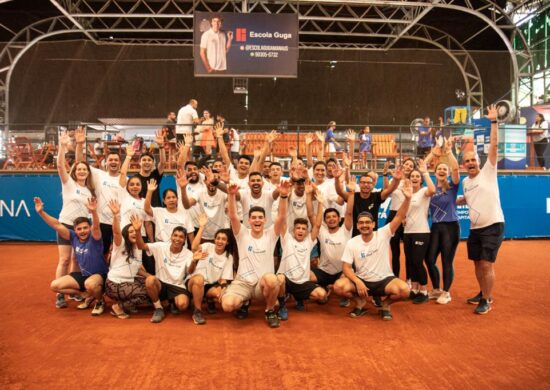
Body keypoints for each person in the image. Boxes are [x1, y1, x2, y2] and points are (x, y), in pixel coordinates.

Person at [333, 180, 413, 321]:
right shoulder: (352, 242)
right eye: (362, 223)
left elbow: (399, 216)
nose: (365, 225)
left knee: (404, 290)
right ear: (357, 226)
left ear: (373, 224)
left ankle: (385, 305)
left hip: (384, 280)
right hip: (362, 280)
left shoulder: (383, 233)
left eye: (367, 222)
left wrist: (407, 198)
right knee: (339, 287)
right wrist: (357, 281)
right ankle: (360, 302)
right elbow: (346, 267)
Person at [220, 181, 289, 328]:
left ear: (265, 220)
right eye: (254, 217)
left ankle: (269, 311)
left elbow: (282, 217)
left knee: (272, 279)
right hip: (243, 283)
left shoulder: (271, 234)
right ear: (248, 220)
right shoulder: (242, 234)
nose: (257, 220)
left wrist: (283, 196)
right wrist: (231, 195)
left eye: (260, 217)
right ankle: (244, 302)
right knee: (227, 305)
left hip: (261, 285)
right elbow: (232, 216)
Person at [459, 104, 505, 315]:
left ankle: (487, 299)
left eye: (473, 160)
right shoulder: (466, 183)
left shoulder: (489, 170)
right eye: (467, 161)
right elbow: (466, 199)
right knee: (477, 263)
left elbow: (494, 145)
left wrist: (494, 122)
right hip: (475, 229)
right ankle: (482, 292)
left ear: (479, 161)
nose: (470, 163)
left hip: (493, 225)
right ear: (463, 165)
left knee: (486, 264)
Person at [34, 197, 108, 316]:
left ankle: (100, 301)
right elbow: (57, 225)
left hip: (99, 276)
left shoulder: (95, 238)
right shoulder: (73, 237)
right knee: (55, 286)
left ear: (89, 228)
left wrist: (93, 212)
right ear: (75, 230)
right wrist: (41, 212)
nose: (82, 231)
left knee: (90, 284)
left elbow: (96, 226)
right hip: (83, 275)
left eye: (85, 228)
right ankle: (84, 295)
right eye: (79, 229)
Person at [133, 218, 208, 324]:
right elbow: (141, 246)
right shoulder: (160, 246)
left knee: (183, 305)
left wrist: (194, 261)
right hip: (162, 284)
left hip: (178, 285)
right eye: (175, 235)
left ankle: (197, 311)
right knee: (150, 280)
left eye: (181, 237)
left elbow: (191, 271)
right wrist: (137, 231)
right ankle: (159, 308)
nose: (177, 239)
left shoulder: (188, 253)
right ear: (171, 236)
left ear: (184, 240)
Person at [53, 130, 96, 309]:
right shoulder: (68, 184)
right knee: (64, 260)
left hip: (81, 229)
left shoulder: (90, 191)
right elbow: (60, 166)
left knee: (76, 260)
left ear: (88, 172)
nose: (81, 171)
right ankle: (60, 294)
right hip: (65, 225)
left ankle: (73, 289)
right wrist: (62, 147)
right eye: (79, 169)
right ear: (75, 171)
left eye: (84, 169)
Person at [276, 185, 325, 320]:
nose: (301, 230)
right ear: (293, 230)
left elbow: (317, 225)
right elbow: (282, 217)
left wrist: (320, 203)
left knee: (321, 295)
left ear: (306, 232)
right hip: (286, 280)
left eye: (304, 228)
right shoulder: (287, 239)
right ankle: (282, 305)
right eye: (298, 228)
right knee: (279, 279)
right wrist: (285, 197)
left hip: (302, 282)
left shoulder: (309, 241)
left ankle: (299, 298)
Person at [424, 139, 460, 304]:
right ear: (435, 171)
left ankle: (446, 292)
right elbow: (422, 167)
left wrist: (449, 152)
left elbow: (456, 168)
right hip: (436, 228)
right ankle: (436, 289)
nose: (442, 170)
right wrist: (434, 152)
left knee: (447, 260)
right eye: (439, 168)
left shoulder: (452, 186)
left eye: (445, 169)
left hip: (451, 227)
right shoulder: (431, 188)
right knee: (430, 259)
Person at [103, 199, 150, 319]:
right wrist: (115, 215)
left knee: (153, 287)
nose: (134, 233)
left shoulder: (139, 248)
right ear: (126, 234)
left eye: (135, 231)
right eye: (130, 231)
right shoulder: (120, 244)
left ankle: (128, 303)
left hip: (128, 281)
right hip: (114, 283)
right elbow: (116, 232)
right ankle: (119, 307)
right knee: (144, 294)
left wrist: (150, 277)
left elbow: (137, 269)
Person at [186, 213, 234, 319]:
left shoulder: (228, 257)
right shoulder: (207, 246)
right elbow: (194, 247)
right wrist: (202, 226)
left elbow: (223, 279)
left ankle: (209, 299)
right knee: (199, 279)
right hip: (194, 280)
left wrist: (223, 290)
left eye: (223, 239)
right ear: (214, 239)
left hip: (210, 285)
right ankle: (197, 311)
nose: (220, 241)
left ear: (227, 242)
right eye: (218, 238)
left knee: (221, 296)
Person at [403, 160, 436, 304]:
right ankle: (415, 289)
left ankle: (424, 291)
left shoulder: (424, 192)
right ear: (409, 179)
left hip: (421, 232)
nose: (414, 178)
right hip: (407, 232)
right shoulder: (407, 193)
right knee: (410, 262)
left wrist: (425, 173)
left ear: (420, 180)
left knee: (417, 261)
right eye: (412, 176)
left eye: (417, 177)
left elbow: (433, 190)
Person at [387, 158, 415, 281]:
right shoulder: (394, 179)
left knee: (409, 252)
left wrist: (406, 216)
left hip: (407, 217)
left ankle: (409, 279)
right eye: (406, 164)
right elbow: (386, 192)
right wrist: (393, 178)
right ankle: (395, 278)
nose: (408, 167)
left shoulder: (414, 181)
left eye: (411, 165)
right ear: (402, 166)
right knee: (395, 251)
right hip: (393, 216)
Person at [144, 179, 195, 245]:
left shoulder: (185, 214)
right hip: (162, 248)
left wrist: (194, 250)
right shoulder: (159, 212)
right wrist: (149, 191)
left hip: (180, 249)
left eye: (173, 197)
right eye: (168, 198)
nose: (171, 200)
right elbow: (147, 209)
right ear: (164, 201)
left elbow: (190, 234)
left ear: (177, 199)